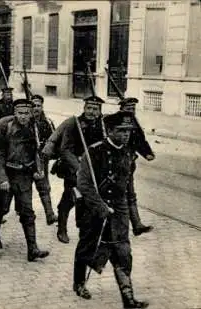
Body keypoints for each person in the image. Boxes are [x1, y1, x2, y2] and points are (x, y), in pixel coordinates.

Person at [73, 111, 149, 309]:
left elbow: (128, 185)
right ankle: (79, 283)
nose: (126, 135)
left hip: (119, 210)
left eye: (128, 131)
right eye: (121, 131)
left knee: (123, 252)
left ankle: (128, 298)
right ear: (109, 131)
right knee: (88, 248)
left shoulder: (128, 153)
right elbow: (84, 184)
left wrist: (130, 214)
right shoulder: (94, 152)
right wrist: (100, 207)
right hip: (94, 209)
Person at [0, 98, 50, 261]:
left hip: (24, 176)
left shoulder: (34, 128)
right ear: (14, 113)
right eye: (20, 113)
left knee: (27, 212)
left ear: (31, 114)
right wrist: (1, 179)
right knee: (2, 209)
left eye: (27, 113)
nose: (23, 117)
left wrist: (38, 169)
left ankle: (32, 249)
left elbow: (38, 151)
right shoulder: (5, 128)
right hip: (8, 174)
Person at [55, 96, 105, 244]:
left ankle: (86, 228)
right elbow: (65, 150)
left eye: (95, 109)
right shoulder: (74, 124)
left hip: (95, 169)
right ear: (84, 108)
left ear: (100, 110)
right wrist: (78, 168)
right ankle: (62, 228)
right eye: (88, 108)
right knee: (70, 198)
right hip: (74, 168)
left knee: (90, 198)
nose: (91, 111)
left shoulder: (103, 125)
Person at [118, 97, 154, 236]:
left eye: (133, 109)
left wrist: (147, 153)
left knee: (131, 194)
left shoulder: (134, 122)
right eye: (128, 109)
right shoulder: (116, 122)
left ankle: (137, 224)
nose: (131, 111)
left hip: (129, 164)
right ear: (121, 109)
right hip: (115, 164)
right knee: (119, 195)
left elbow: (140, 140)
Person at [31, 94, 57, 225]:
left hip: (40, 159)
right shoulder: (24, 121)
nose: (36, 108)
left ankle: (49, 213)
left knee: (44, 186)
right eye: (33, 105)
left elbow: (54, 139)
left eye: (38, 106)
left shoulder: (47, 122)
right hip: (24, 160)